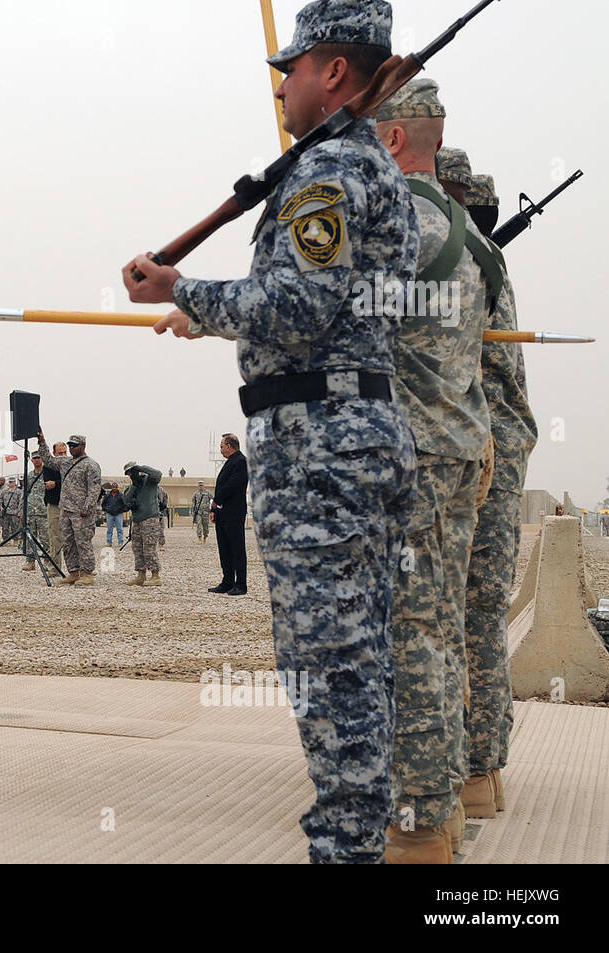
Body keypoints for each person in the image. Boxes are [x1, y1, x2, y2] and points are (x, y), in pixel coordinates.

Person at [126, 0, 417, 862]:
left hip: (320, 444)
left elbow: (295, 306)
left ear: (333, 71)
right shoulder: (362, 168)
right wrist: (207, 310)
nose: (282, 84)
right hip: (356, 430)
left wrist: (182, 291)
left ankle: (347, 846)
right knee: (361, 656)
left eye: (291, 68)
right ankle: (360, 835)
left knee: (329, 663)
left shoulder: (328, 174)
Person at [376, 80, 493, 863]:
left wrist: (195, 303)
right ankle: (451, 798)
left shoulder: (392, 225)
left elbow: (311, 308)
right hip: (460, 450)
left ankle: (419, 829)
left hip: (413, 457)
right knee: (443, 629)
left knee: (409, 638)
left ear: (389, 142)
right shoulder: (468, 235)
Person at [449, 161, 538, 827]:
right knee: (481, 619)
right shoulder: (493, 267)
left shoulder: (462, 268)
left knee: (441, 618)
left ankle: (453, 775)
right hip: (501, 460)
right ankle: (482, 772)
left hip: (470, 460)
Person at [36, 431, 101, 585]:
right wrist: (42, 441)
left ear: (83, 446)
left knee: (83, 542)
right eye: (70, 445)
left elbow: (94, 489)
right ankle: (73, 572)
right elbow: (48, 460)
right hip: (65, 510)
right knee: (68, 542)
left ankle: (87, 573)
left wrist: (87, 507)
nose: (72, 448)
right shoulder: (66, 462)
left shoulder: (91, 465)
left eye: (74, 445)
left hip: (81, 512)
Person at [206, 436, 249, 595]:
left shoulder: (241, 462)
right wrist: (214, 510)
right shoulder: (229, 462)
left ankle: (241, 584)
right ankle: (227, 581)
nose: (221, 449)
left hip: (234, 512)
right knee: (224, 548)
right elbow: (221, 487)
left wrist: (216, 500)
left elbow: (233, 485)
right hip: (223, 513)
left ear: (230, 446)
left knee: (237, 549)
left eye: (222, 446)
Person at [123, 461, 164, 586]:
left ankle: (155, 575)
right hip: (137, 520)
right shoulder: (132, 486)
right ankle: (141, 575)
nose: (131, 475)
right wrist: (134, 485)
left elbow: (158, 474)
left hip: (150, 519)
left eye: (132, 472)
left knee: (149, 548)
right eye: (129, 473)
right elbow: (125, 499)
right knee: (137, 548)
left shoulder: (150, 481)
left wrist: (141, 468)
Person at [22, 451, 50, 570]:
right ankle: (30, 561)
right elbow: (25, 493)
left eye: (39, 457)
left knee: (45, 538)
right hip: (31, 511)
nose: (37, 460)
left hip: (43, 511)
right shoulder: (29, 476)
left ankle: (47, 560)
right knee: (30, 538)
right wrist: (22, 510)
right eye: (35, 458)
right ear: (32, 460)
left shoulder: (47, 474)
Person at [42, 449, 63, 566]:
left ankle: (80, 569)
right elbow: (49, 484)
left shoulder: (73, 465)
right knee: (54, 536)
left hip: (71, 505)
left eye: (64, 452)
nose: (63, 455)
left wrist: (57, 483)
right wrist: (58, 483)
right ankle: (55, 566)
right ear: (54, 454)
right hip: (54, 504)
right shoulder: (49, 467)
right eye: (60, 453)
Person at [102, 482, 127, 546]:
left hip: (118, 514)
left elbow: (124, 504)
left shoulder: (121, 495)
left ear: (117, 487)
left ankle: (120, 542)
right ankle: (109, 542)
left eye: (115, 487)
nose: (114, 488)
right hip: (109, 514)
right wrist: (106, 509)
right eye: (113, 487)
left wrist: (122, 510)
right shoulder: (107, 496)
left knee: (120, 529)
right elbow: (103, 504)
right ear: (111, 487)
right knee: (109, 529)